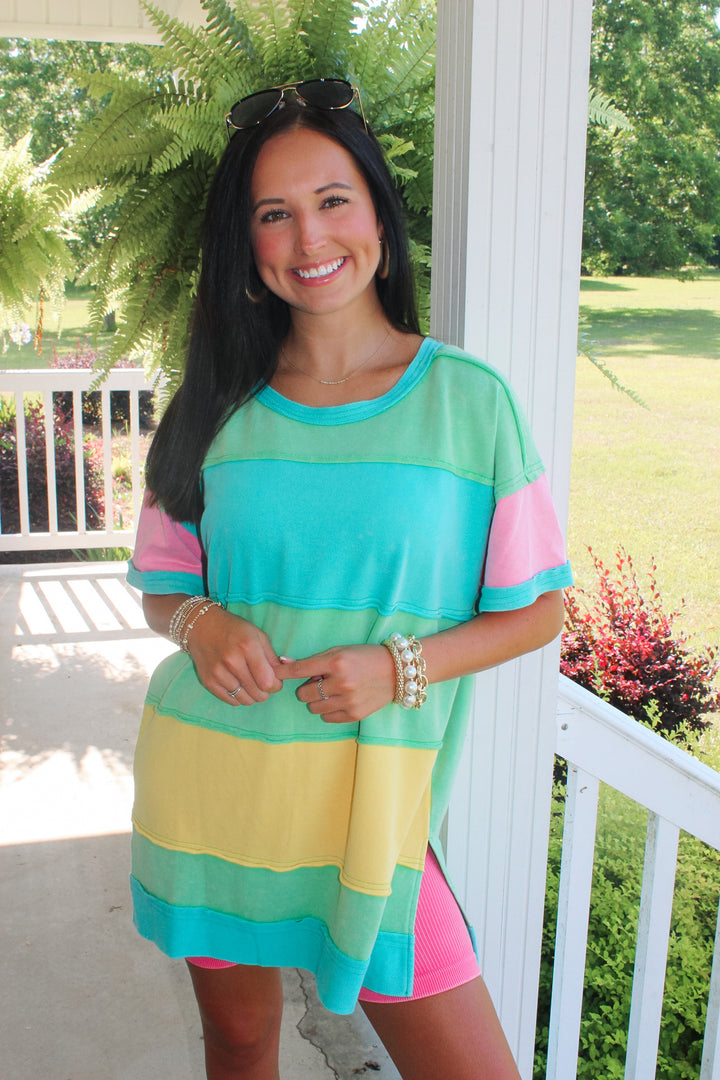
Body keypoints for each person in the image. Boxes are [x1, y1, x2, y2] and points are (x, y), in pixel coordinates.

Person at [127, 78, 573, 1080]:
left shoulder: (470, 402)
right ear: (245, 244)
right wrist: (198, 624)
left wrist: (398, 666)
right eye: (272, 213)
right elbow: (162, 585)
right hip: (215, 788)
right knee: (240, 1041)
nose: (307, 236)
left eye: (332, 200)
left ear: (376, 210)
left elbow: (538, 607)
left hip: (377, 812)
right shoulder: (216, 405)